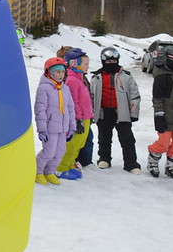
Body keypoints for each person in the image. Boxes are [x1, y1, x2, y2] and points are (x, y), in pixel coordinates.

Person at [91, 47, 142, 174]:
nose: (112, 64)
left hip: (122, 112)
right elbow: (91, 96)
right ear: (103, 62)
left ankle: (131, 163)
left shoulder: (126, 76)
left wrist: (133, 113)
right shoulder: (97, 77)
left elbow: (134, 95)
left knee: (127, 138)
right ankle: (104, 158)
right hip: (104, 112)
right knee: (104, 137)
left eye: (114, 61)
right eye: (108, 62)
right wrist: (91, 113)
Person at [146, 45, 173, 179]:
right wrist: (159, 115)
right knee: (163, 144)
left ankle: (171, 166)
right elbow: (157, 99)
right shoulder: (162, 77)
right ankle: (152, 162)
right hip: (166, 117)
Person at [34, 57, 76, 185]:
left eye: (62, 72)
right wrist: (42, 129)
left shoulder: (65, 88)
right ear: (49, 72)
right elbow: (40, 110)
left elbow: (70, 108)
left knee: (59, 152)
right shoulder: (44, 88)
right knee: (49, 151)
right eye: (57, 72)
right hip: (50, 127)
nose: (60, 75)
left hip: (63, 128)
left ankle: (49, 171)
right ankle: (38, 171)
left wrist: (72, 126)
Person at [56, 48, 94, 179]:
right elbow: (73, 102)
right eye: (85, 64)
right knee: (72, 145)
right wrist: (77, 119)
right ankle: (60, 168)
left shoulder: (81, 79)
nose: (87, 67)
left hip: (86, 117)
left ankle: (70, 165)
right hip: (78, 119)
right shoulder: (72, 80)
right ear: (74, 64)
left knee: (80, 144)